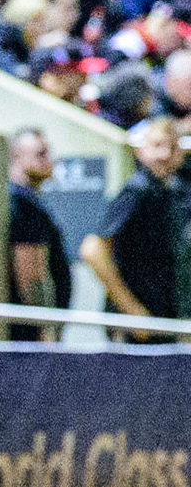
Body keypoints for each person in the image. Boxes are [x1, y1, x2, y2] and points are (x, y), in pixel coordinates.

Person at [80, 118, 190, 342]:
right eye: (158, 145)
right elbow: (92, 250)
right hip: (137, 327)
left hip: (164, 321)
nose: (165, 155)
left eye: (172, 146)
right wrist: (132, 311)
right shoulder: (138, 189)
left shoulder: (171, 191)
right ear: (140, 151)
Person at [5, 126, 71, 340]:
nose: (48, 160)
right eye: (40, 153)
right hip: (29, 335)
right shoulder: (23, 204)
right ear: (16, 155)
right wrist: (44, 329)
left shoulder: (24, 200)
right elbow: (30, 274)